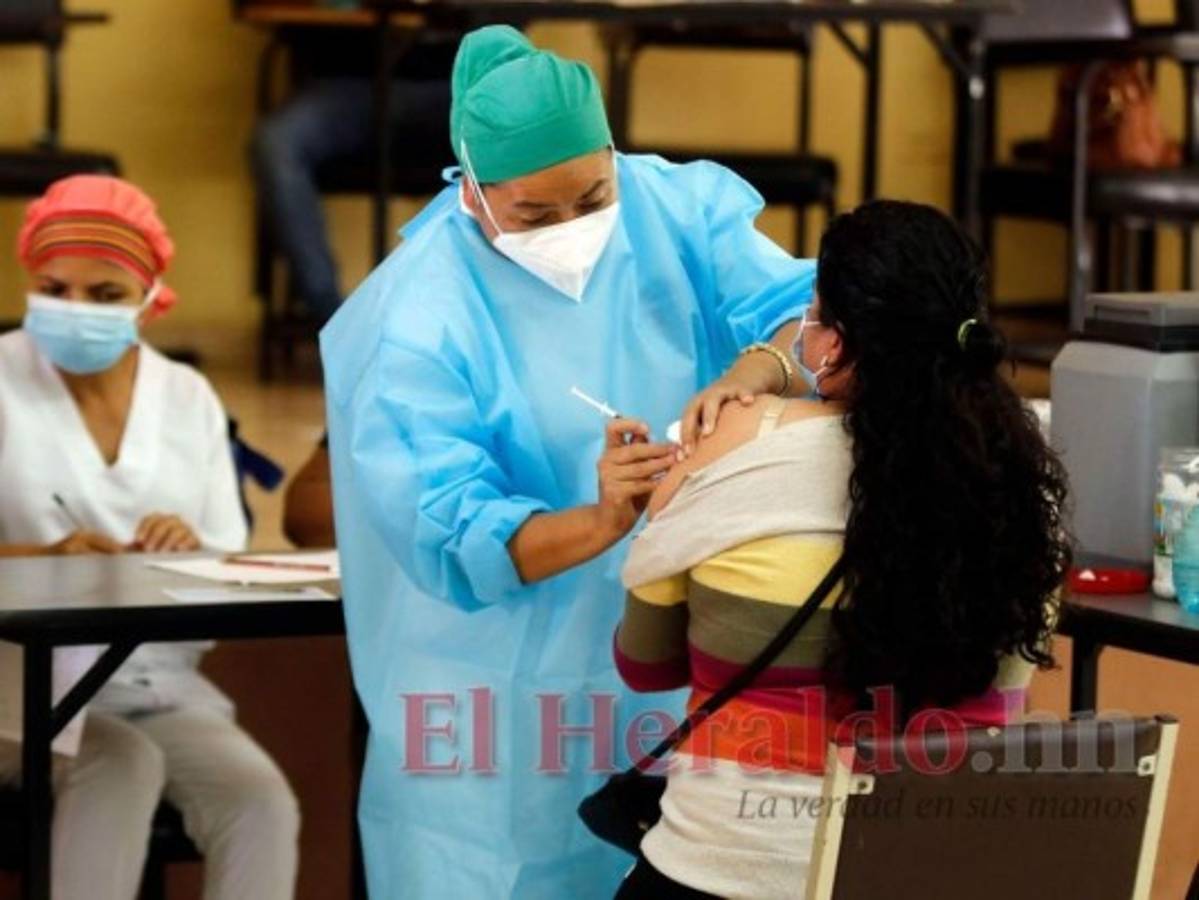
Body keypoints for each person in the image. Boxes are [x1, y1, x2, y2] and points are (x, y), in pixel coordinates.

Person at [320, 24, 817, 899]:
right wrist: (599, 521)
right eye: (535, 215)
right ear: (470, 192)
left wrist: (757, 366)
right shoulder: (418, 318)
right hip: (488, 707)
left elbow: (812, 316)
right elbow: (450, 536)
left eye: (592, 196)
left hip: (668, 660)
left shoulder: (670, 213)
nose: (574, 230)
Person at [613, 200, 1071, 898]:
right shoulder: (1020, 497)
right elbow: (1006, 696)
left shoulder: (736, 443)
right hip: (930, 872)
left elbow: (644, 665)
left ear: (831, 340)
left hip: (727, 869)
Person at [0, 175, 300, 900]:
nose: (75, 310)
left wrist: (187, 546)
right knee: (121, 766)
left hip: (152, 678)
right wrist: (45, 560)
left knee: (259, 801)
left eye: (104, 295)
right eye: (55, 288)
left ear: (148, 296)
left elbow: (231, 563)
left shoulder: (187, 397)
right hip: (13, 682)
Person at [250, 14, 458, 322]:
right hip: (344, 82)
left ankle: (493, 332)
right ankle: (336, 323)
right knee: (276, 144)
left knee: (531, 130)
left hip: (455, 82)